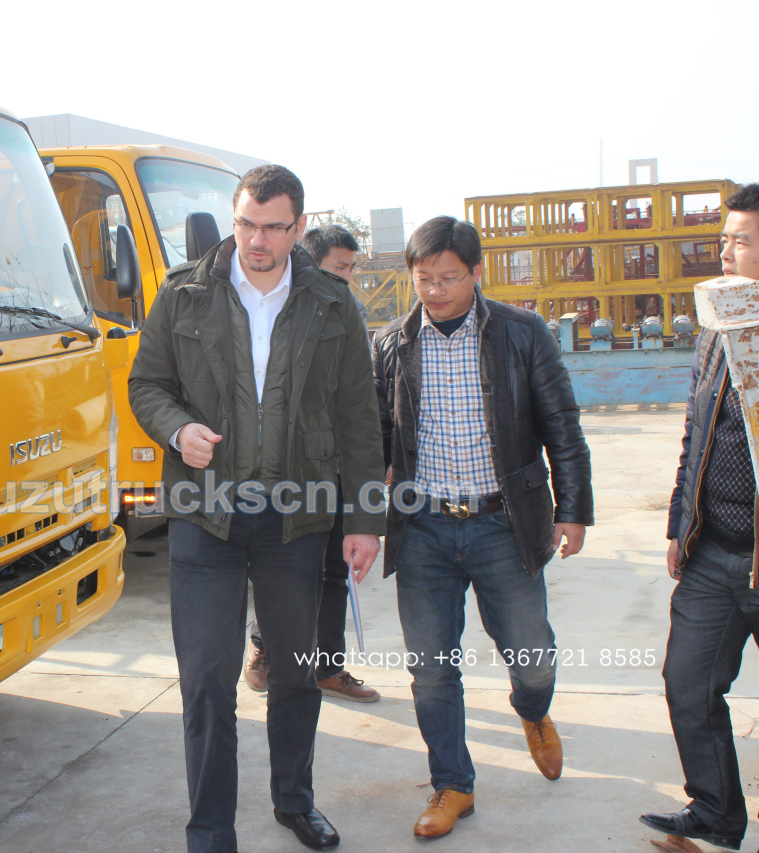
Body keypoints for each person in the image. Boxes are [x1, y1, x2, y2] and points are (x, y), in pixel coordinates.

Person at [129, 165, 385, 853]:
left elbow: (361, 418)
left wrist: (365, 520)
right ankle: (210, 830)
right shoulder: (183, 295)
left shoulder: (332, 303)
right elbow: (146, 384)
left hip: (295, 522)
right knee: (208, 680)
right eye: (246, 223)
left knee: (297, 671)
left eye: (273, 226)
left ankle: (294, 801)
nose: (257, 240)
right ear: (234, 217)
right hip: (205, 520)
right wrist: (178, 428)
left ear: (298, 227)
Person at [372, 215, 592, 839]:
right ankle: (453, 785)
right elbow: (377, 439)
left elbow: (562, 427)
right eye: (423, 279)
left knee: (533, 655)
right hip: (425, 531)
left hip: (503, 524)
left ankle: (534, 710)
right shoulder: (393, 344)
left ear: (474, 272)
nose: (435, 291)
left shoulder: (522, 334)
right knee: (432, 667)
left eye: (448, 278)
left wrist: (572, 509)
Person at [639, 183, 759, 852]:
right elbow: (695, 432)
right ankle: (715, 813)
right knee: (688, 682)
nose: (727, 252)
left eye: (741, 240)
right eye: (725, 240)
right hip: (716, 549)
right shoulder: (717, 325)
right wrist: (680, 528)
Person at [244, 225, 379, 703]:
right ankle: (265, 651)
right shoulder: (276, 310)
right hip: (291, 474)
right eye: (338, 267)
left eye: (350, 268)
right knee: (281, 566)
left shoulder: (349, 313)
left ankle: (328, 667)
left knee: (333, 572)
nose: (346, 278)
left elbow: (363, 402)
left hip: (338, 469)